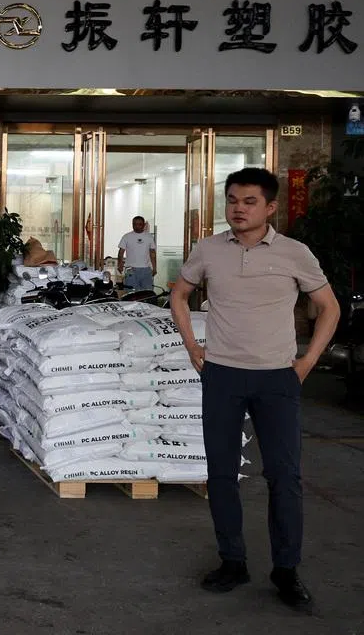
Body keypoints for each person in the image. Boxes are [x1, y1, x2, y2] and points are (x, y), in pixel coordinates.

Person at [170, 167, 339, 614]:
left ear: (269, 207)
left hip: (277, 378)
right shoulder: (208, 249)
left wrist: (306, 362)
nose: (238, 209)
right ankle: (233, 561)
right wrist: (192, 346)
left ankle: (286, 569)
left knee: (284, 476)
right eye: (231, 201)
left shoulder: (294, 253)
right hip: (222, 375)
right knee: (221, 475)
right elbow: (180, 294)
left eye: (248, 201)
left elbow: (329, 308)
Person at [118, 216, 157, 291]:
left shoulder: (149, 237)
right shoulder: (126, 236)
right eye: (134, 224)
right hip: (131, 270)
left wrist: (154, 268)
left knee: (147, 293)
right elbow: (121, 252)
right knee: (131, 294)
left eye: (139, 224)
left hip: (146, 270)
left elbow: (152, 253)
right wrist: (120, 265)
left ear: (144, 225)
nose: (137, 226)